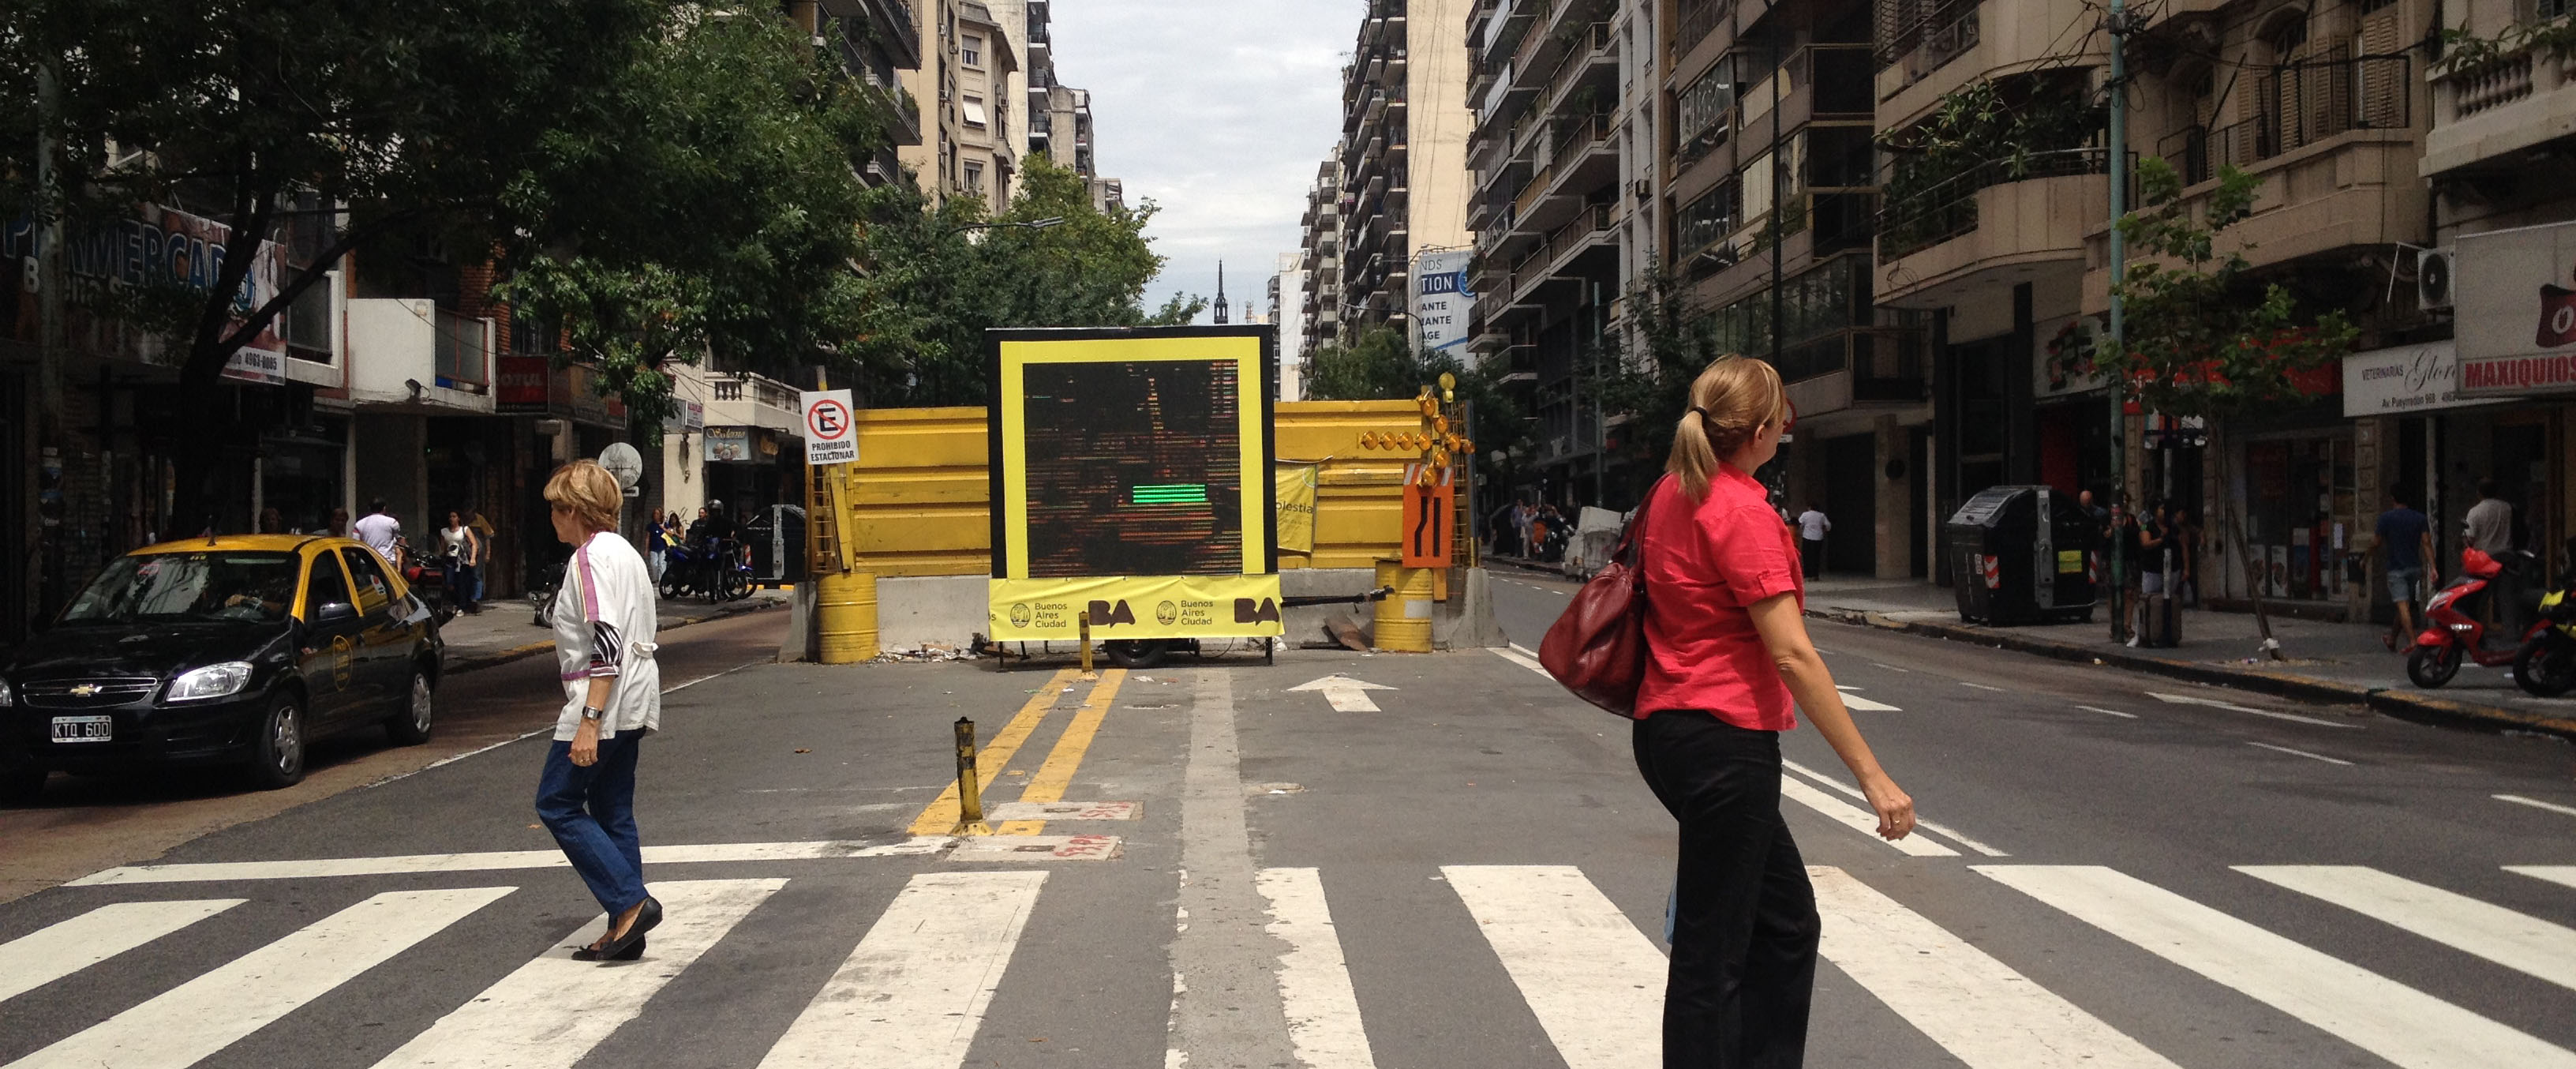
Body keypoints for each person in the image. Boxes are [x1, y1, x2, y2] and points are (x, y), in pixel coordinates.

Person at [1633, 355, 1915, 1067]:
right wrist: (1873, 776)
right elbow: (1792, 655)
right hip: (1725, 743)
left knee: (1786, 924)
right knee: (1713, 953)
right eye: (1784, 420)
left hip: (1669, 730)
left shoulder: (1671, 491)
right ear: (1762, 431)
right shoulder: (1739, 510)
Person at [535, 460, 665, 962]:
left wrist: (589, 723)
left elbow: (605, 641)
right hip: (634, 698)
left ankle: (630, 903)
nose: (552, 519)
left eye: (555, 509)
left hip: (603, 701)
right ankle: (625, 928)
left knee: (557, 803)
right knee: (612, 810)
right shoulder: (628, 553)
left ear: (574, 511)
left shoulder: (588, 559)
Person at [2374, 488, 2436, 651]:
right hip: (2415, 568)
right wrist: (2433, 567)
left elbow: (2376, 542)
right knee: (2403, 605)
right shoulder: (2420, 518)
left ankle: (2413, 641)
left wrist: (2366, 558)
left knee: (2403, 605)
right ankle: (2392, 639)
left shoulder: (2386, 518)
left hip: (2396, 568)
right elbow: (2426, 543)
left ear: (2393, 498)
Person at [439, 509, 483, 613]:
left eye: (454, 516)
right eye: (450, 517)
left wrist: (472, 558)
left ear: (458, 518)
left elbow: (474, 544)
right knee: (450, 583)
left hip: (462, 560)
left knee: (462, 582)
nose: (452, 519)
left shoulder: (464, 530)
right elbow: (443, 547)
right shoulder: (444, 531)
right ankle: (454, 602)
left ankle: (461, 606)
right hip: (450, 559)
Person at [352, 499, 402, 566]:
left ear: (369, 508)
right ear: (384, 508)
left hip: (366, 562)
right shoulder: (393, 522)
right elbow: (399, 540)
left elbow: (356, 544)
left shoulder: (359, 524)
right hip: (386, 562)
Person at [1794, 503, 1830, 580]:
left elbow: (1799, 523)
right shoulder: (1821, 515)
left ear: (1810, 507)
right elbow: (1828, 525)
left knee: (1807, 556)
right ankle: (1815, 575)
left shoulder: (1805, 514)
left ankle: (1808, 575)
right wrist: (1825, 530)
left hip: (1807, 536)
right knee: (1816, 556)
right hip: (1818, 537)